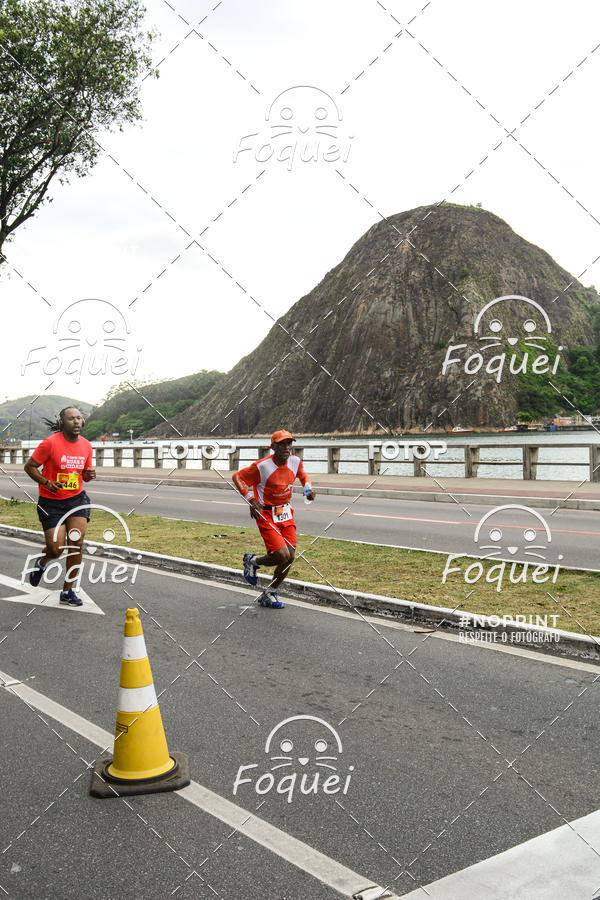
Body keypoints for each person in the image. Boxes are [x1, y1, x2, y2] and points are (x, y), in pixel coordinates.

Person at [232, 430, 315, 609]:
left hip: (285, 512)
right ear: (273, 447)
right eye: (282, 444)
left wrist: (307, 488)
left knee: (290, 557)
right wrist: (251, 499)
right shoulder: (262, 466)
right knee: (281, 555)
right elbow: (237, 477)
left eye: (289, 444)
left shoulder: (295, 461)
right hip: (266, 514)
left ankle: (269, 592)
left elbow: (303, 476)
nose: (287, 448)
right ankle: (253, 561)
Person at [23, 407, 96, 606]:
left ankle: (68, 591)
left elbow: (84, 475)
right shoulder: (50, 443)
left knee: (76, 543)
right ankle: (42, 562)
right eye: (71, 418)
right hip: (51, 502)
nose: (76, 422)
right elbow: (29, 467)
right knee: (56, 549)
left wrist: (88, 475)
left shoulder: (87, 446)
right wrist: (47, 482)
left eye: (79, 418)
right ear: (62, 422)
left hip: (77, 500)